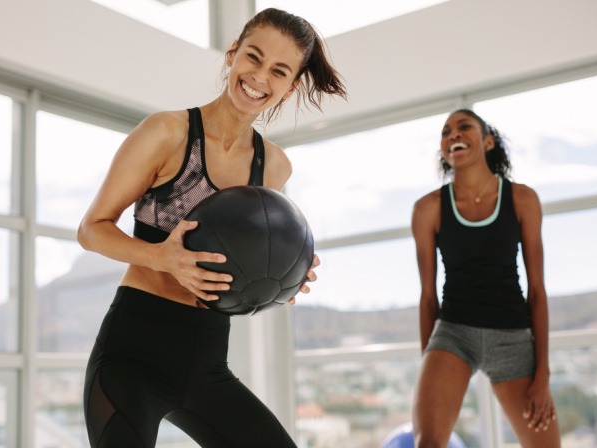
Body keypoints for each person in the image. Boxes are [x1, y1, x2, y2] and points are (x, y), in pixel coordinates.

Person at [77, 8, 346, 448]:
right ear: (232, 54)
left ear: (291, 85)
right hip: (130, 355)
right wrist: (161, 256)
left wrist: (283, 276)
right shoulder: (167, 132)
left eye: (278, 71)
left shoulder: (273, 165)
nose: (259, 77)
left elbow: (251, 257)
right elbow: (91, 229)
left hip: (206, 362)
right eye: (253, 57)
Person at [410, 109, 561, 447]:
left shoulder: (522, 198)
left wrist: (543, 375)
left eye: (464, 127)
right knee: (429, 444)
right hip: (453, 333)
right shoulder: (428, 208)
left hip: (512, 336)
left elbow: (537, 290)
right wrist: (428, 365)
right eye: (446, 131)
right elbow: (427, 296)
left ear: (488, 141)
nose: (453, 135)